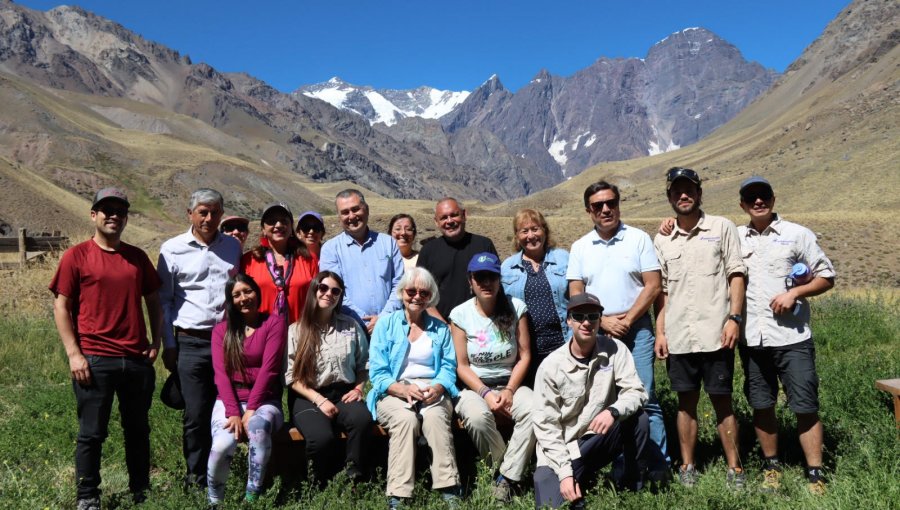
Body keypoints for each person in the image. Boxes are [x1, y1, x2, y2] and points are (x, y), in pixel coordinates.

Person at [50, 187, 162, 510]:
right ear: (93, 215)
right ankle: (88, 496)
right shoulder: (77, 256)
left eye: (120, 211)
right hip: (94, 359)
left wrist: (157, 341)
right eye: (106, 209)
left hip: (136, 360)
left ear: (126, 218)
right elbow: (62, 306)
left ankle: (141, 490)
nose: (114, 215)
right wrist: (74, 353)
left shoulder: (137, 257)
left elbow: (153, 300)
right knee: (91, 433)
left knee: (138, 430)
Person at [736, 176, 835, 494]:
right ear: (742, 205)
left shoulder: (797, 234)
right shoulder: (736, 238)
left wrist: (797, 293)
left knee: (805, 405)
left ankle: (816, 473)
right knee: (762, 404)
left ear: (773, 199)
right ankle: (772, 466)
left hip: (792, 337)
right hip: (753, 338)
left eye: (763, 195)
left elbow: (826, 275)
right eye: (751, 197)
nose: (758, 201)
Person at [653, 167, 747, 488]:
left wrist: (734, 318)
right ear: (669, 197)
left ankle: (735, 469)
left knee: (723, 402)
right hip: (679, 336)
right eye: (677, 191)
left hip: (716, 334)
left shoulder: (721, 228)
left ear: (699, 193)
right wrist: (661, 332)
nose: (683, 195)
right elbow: (662, 290)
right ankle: (687, 466)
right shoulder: (662, 239)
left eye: (689, 190)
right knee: (685, 404)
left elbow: (736, 274)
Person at [566, 181, 668, 470]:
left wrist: (627, 320)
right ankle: (621, 464)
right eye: (598, 206)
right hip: (596, 331)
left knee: (644, 396)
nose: (606, 209)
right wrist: (601, 322)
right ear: (589, 211)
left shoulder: (638, 239)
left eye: (611, 203)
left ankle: (659, 466)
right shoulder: (581, 247)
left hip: (636, 329)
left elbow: (653, 286)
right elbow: (576, 291)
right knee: (605, 398)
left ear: (618, 204)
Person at [533, 293, 655, 509]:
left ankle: (631, 487)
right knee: (551, 505)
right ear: (568, 320)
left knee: (639, 419)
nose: (586, 322)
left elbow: (637, 392)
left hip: (597, 438)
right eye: (579, 316)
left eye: (593, 316)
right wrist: (564, 473)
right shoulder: (550, 367)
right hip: (563, 449)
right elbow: (546, 427)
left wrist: (614, 411)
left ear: (600, 319)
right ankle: (579, 477)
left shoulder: (615, 349)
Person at [158, 188, 242, 489]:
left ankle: (225, 468)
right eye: (203, 212)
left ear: (221, 214)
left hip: (227, 341)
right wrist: (169, 343)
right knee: (195, 413)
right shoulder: (172, 249)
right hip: (190, 341)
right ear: (190, 214)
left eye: (214, 212)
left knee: (228, 406)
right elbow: (165, 301)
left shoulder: (232, 247)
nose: (208, 218)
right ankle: (196, 478)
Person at [366, 267, 462, 509]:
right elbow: (377, 373)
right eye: (411, 291)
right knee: (405, 421)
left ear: (431, 297)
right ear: (401, 293)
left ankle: (449, 487)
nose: (417, 296)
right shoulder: (386, 324)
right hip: (394, 391)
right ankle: (399, 494)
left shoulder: (441, 329)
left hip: (431, 389)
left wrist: (439, 387)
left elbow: (449, 367)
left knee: (436, 418)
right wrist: (402, 390)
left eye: (424, 292)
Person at [450, 252, 535, 501]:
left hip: (511, 383)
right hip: (476, 387)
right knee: (476, 417)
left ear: (500, 279)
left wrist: (509, 390)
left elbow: (525, 355)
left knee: (534, 409)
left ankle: (505, 478)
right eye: (480, 277)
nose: (486, 283)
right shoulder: (460, 314)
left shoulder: (516, 307)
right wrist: (485, 393)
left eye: (492, 277)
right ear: (471, 281)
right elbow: (462, 365)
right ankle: (507, 470)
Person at [285, 271, 372, 483]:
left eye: (335, 291)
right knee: (321, 438)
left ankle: (354, 479)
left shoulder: (350, 326)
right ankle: (318, 484)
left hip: (344, 392)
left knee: (362, 420)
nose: (328, 294)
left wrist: (359, 388)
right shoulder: (296, 330)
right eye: (323, 288)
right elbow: (291, 376)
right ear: (314, 290)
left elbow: (364, 365)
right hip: (308, 396)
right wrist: (320, 400)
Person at [207, 274, 286, 504]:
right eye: (237, 294)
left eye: (248, 291)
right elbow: (220, 375)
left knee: (258, 428)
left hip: (265, 401)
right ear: (230, 300)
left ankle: (252, 496)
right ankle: (214, 501)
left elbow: (269, 370)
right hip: (228, 400)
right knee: (223, 444)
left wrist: (251, 408)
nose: (244, 298)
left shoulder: (273, 324)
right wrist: (233, 411)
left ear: (257, 293)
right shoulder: (221, 331)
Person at [500, 208, 569, 386]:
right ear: (517, 235)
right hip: (527, 350)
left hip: (564, 343)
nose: (531, 235)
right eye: (524, 231)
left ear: (544, 230)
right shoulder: (507, 267)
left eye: (535, 229)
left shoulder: (564, 259)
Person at [320, 189, 404, 334]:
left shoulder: (388, 243)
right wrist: (362, 320)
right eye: (345, 212)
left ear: (367, 210)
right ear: (339, 217)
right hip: (349, 329)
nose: (351, 216)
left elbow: (400, 283)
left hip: (390, 326)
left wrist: (383, 318)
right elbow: (332, 291)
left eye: (355, 209)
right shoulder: (330, 249)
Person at [416, 197, 497, 321]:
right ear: (436, 222)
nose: (449, 221)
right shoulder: (428, 251)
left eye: (454, 215)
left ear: (464, 215)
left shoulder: (484, 245)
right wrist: (443, 326)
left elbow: (497, 285)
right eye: (443, 217)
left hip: (480, 326)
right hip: (441, 327)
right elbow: (421, 293)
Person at [241, 203, 318, 324]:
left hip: (300, 333)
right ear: (263, 229)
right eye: (271, 221)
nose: (278, 225)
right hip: (262, 334)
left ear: (291, 226)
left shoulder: (309, 259)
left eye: (284, 221)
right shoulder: (248, 260)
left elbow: (317, 298)